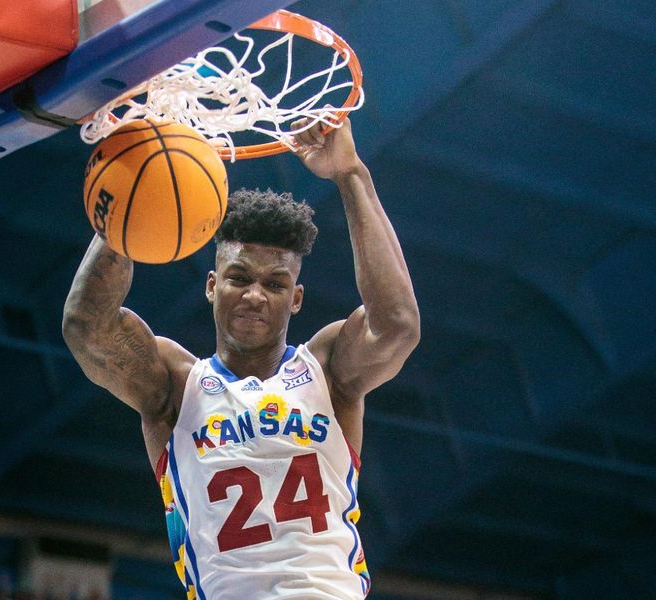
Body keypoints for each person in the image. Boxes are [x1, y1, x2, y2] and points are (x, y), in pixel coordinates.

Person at [62, 117, 420, 599]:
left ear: (295, 299)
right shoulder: (176, 385)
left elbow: (397, 324)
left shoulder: (328, 370)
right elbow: (88, 329)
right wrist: (129, 210)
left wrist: (351, 173)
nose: (255, 295)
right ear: (212, 287)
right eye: (239, 277)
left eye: (274, 284)